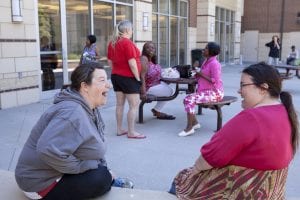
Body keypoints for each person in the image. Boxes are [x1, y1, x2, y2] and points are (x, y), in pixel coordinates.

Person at [170, 62, 299, 199]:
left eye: (243, 85)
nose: (239, 90)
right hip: (269, 191)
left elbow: (210, 157)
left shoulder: (251, 118)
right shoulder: (285, 111)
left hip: (241, 190)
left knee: (181, 179)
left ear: (263, 88)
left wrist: (193, 172)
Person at [15, 63, 133, 200]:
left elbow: (90, 143)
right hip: (38, 183)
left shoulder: (89, 108)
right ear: (85, 87)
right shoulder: (72, 113)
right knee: (101, 178)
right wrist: (84, 166)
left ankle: (108, 177)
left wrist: (100, 166)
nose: (109, 85)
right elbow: (47, 149)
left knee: (103, 172)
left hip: (54, 171)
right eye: (102, 80)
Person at [107, 20, 146, 139]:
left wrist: (117, 71)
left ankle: (119, 129)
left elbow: (110, 61)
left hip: (116, 76)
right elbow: (132, 63)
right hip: (128, 77)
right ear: (128, 30)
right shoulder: (127, 43)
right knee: (134, 105)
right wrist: (138, 78)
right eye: (132, 29)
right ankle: (131, 132)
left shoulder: (112, 43)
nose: (132, 31)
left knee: (120, 105)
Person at [178, 42, 224, 137]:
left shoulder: (215, 64)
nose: (204, 50)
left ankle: (189, 128)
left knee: (189, 99)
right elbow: (202, 76)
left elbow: (215, 80)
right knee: (187, 99)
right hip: (205, 91)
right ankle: (195, 123)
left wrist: (200, 74)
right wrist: (195, 74)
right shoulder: (206, 62)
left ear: (211, 51)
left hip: (215, 92)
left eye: (206, 48)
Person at [140, 41, 175, 120]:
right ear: (144, 50)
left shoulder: (152, 60)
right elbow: (141, 76)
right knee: (170, 91)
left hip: (155, 84)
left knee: (170, 86)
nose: (150, 49)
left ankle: (157, 110)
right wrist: (143, 92)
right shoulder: (144, 59)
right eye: (148, 47)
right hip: (148, 87)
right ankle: (157, 111)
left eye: (152, 48)